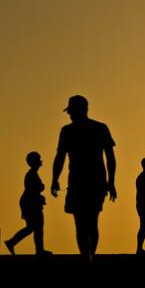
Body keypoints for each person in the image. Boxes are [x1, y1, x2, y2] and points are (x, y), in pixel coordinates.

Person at [51, 95, 116, 263]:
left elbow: (60, 157)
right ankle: (89, 257)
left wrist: (55, 179)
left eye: (71, 111)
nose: (70, 115)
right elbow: (110, 157)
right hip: (91, 182)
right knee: (89, 222)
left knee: (83, 223)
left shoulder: (70, 131)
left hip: (83, 183)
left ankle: (87, 258)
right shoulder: (98, 128)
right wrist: (111, 182)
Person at [4, 152, 52, 256]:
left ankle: (37, 249)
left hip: (31, 202)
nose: (40, 161)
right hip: (30, 203)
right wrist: (41, 189)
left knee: (35, 226)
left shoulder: (32, 173)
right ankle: (14, 243)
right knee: (35, 226)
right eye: (38, 159)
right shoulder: (31, 174)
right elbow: (32, 189)